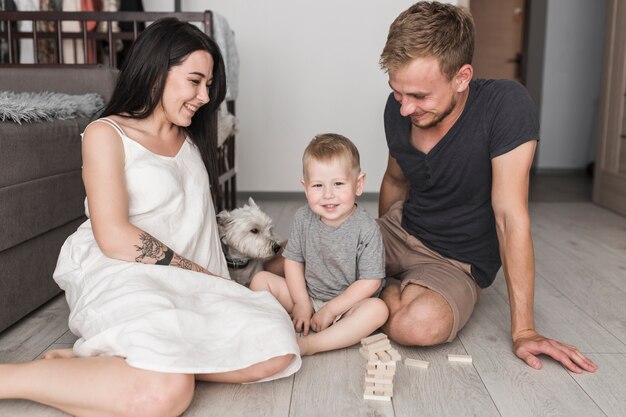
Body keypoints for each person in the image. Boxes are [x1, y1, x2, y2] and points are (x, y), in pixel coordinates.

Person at [0, 18, 300, 417]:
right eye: (195, 81)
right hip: (124, 271)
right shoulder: (106, 134)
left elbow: (199, 224)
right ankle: (9, 377)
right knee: (167, 392)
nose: (203, 95)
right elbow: (114, 236)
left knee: (276, 350)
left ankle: (108, 367)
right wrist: (196, 272)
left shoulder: (193, 139)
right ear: (158, 71)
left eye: (208, 85)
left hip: (193, 282)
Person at [377, 1, 597, 374]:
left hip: (455, 260)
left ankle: (368, 291)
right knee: (289, 261)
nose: (404, 108)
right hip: (401, 229)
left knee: (414, 326)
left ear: (461, 77)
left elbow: (510, 217)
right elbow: (396, 179)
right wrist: (369, 249)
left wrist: (524, 329)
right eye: (398, 93)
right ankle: (379, 285)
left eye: (419, 96)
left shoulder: (505, 106)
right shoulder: (399, 109)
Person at [251, 134, 389, 356]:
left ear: (359, 184)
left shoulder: (366, 228)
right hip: (309, 294)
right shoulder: (303, 218)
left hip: (347, 306)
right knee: (260, 281)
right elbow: (293, 262)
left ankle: (311, 345)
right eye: (317, 185)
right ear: (305, 188)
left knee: (377, 310)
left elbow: (371, 282)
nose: (328, 195)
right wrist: (302, 302)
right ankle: (271, 329)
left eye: (338, 184)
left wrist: (331, 310)